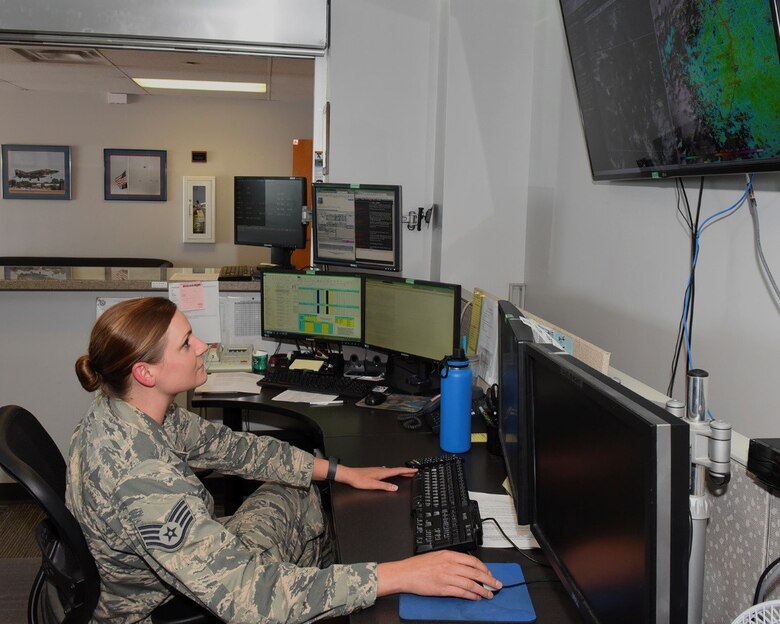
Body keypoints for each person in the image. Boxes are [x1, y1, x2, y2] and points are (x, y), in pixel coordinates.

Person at [67, 296, 500, 623]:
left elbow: (237, 449)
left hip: (177, 571)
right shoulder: (141, 477)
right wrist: (397, 575)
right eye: (186, 343)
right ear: (146, 373)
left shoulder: (129, 411)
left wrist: (339, 471)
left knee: (298, 491)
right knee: (288, 578)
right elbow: (244, 597)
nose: (202, 345)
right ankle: (330, 595)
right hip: (162, 605)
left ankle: (325, 588)